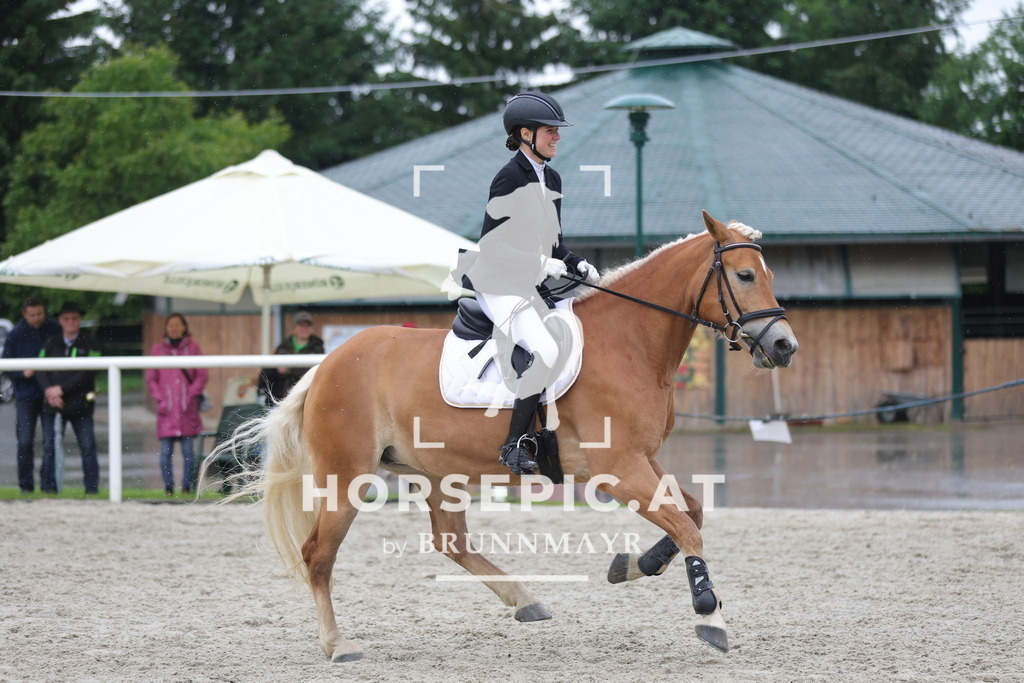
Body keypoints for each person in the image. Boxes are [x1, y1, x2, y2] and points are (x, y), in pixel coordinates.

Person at [451, 91, 600, 475]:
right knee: (545, 349)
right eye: (550, 131)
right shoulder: (510, 177)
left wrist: (576, 262)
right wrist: (540, 262)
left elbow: (554, 242)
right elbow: (493, 245)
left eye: (556, 131)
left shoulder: (552, 177)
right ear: (525, 134)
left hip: (530, 283)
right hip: (498, 282)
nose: (557, 137)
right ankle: (513, 446)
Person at [35, 301, 101, 495]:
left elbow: (88, 373)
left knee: (87, 447)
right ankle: (48, 488)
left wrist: (61, 389)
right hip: (54, 404)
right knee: (50, 447)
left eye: (74, 318)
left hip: (81, 405)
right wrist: (50, 392)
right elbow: (40, 369)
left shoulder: (90, 343)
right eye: (67, 318)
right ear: (60, 321)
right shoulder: (50, 342)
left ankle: (91, 489)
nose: (71, 322)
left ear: (80, 320)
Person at [2, 297, 62, 493]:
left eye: (40, 314)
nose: (37, 318)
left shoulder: (54, 329)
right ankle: (26, 486)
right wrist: (21, 373)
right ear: (24, 314)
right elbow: (5, 365)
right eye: (33, 315)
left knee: (50, 442)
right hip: (25, 395)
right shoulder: (15, 335)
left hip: (48, 394)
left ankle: (48, 486)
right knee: (25, 442)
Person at [145, 313, 208, 495]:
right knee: (166, 451)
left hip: (187, 409)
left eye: (177, 325)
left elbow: (202, 375)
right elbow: (151, 378)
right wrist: (160, 398)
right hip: (167, 409)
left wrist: (191, 394)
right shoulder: (158, 350)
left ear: (184, 327)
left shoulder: (193, 348)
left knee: (188, 451)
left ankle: (187, 486)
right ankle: (168, 487)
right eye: (171, 325)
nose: (174, 328)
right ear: (166, 328)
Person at [259, 311, 325, 404]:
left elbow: (313, 371)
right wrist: (278, 369)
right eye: (301, 325)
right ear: (295, 328)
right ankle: (262, 396)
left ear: (311, 329)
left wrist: (288, 369)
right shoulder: (284, 345)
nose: (304, 328)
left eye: (307, 326)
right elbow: (272, 367)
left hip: (305, 391)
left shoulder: (317, 347)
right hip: (282, 391)